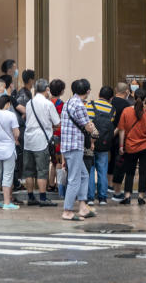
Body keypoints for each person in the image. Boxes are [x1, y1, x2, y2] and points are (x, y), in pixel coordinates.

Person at [60, 79, 98, 221]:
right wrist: (93, 125)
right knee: (74, 178)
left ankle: (82, 206)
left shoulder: (68, 102)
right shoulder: (80, 105)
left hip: (68, 145)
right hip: (74, 145)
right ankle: (67, 210)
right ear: (87, 91)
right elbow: (88, 127)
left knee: (84, 175)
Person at [23, 78, 60, 207]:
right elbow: (57, 122)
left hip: (28, 140)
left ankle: (30, 197)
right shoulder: (48, 104)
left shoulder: (29, 103)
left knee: (28, 171)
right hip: (41, 141)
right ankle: (43, 198)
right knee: (42, 170)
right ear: (47, 89)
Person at [117, 88, 146, 205]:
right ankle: (141, 197)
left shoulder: (126, 111)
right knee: (143, 172)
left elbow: (122, 130)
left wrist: (121, 146)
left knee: (130, 172)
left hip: (130, 146)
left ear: (133, 96)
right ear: (145, 99)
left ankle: (127, 196)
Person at [0, 95, 20, 209]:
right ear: (8, 104)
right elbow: (16, 133)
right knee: (7, 175)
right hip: (8, 149)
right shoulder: (11, 115)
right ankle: (6, 203)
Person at [86, 86, 115, 205]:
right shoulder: (112, 109)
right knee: (103, 170)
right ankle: (102, 198)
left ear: (99, 94)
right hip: (104, 144)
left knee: (90, 170)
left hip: (90, 143)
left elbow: (87, 123)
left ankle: (90, 197)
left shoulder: (90, 105)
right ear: (111, 98)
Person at [110, 82, 132, 200]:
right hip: (120, 138)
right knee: (119, 164)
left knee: (109, 162)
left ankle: (108, 186)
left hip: (107, 137)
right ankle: (117, 191)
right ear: (127, 91)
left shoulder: (110, 102)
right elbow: (125, 125)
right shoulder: (127, 105)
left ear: (115, 90)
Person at [48, 79, 66, 192]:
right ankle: (59, 186)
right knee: (58, 162)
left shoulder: (46, 103)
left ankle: (50, 184)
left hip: (47, 135)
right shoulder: (62, 105)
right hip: (58, 136)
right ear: (62, 91)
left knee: (52, 162)